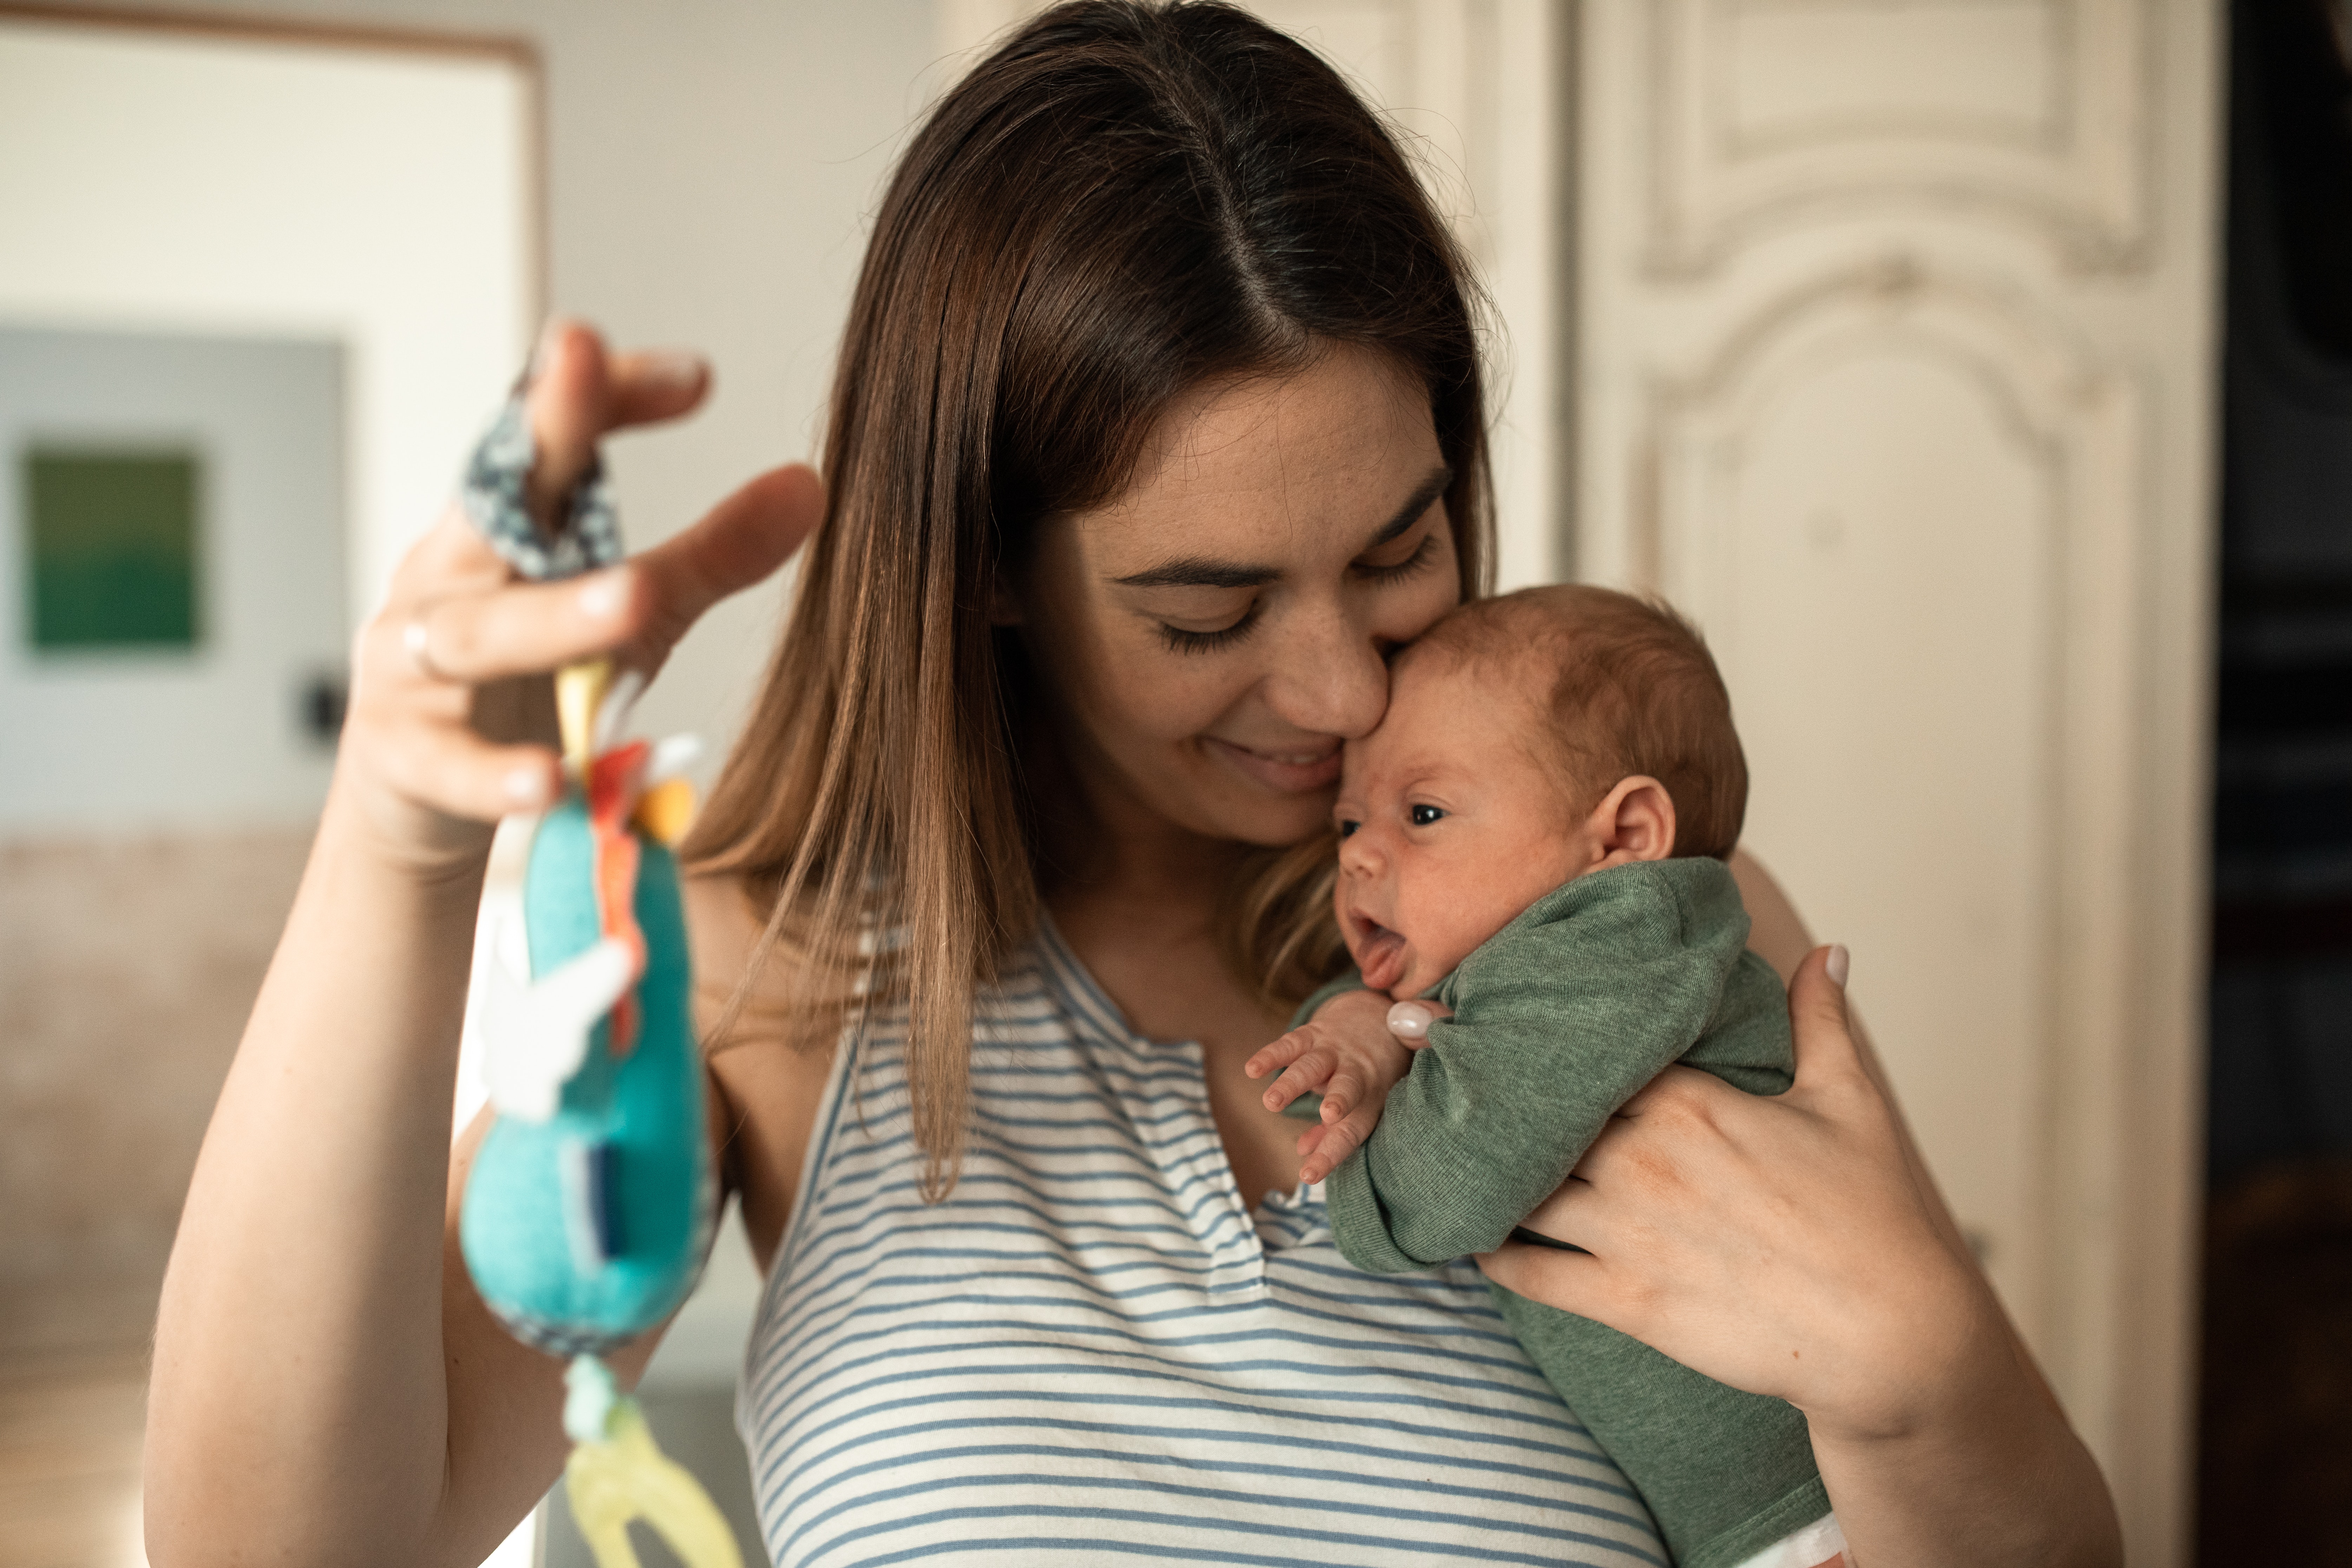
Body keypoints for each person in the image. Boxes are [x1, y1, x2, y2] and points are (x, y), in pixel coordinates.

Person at [142, 4, 2124, 1566]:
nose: (1342, 687)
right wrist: (399, 845)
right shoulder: (774, 976)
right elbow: (273, 1548)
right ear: (985, 575)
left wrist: (1923, 1369)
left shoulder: (1625, 935)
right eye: (1206, 607)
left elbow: (2006, 1543)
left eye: (1399, 547)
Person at [1245, 584, 1826, 1568]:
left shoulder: (1626, 935)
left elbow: (1443, 1190)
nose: (1358, 858)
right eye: (1348, 824)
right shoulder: (1525, 978)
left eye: (1422, 811)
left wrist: (1376, 1143)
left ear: (1624, 839)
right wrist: (1361, 1025)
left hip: (1810, 1515)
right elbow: (1435, 1043)